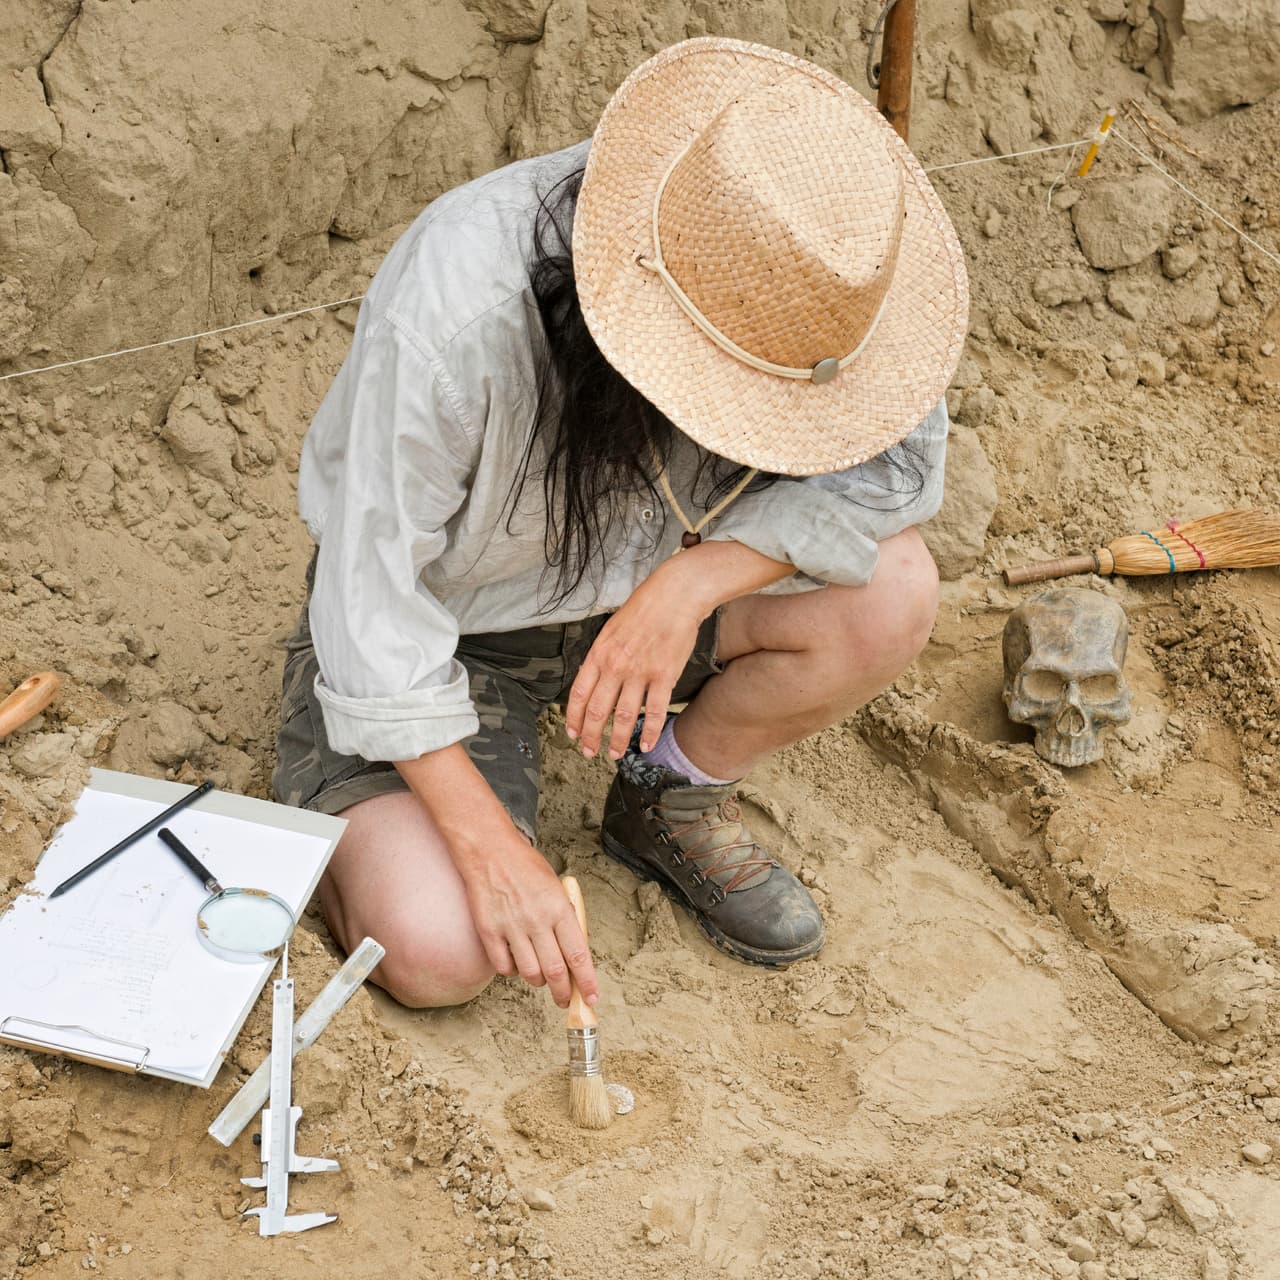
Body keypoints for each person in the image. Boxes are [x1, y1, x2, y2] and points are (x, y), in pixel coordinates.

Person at [272, 37, 968, 1011]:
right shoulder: (460, 311)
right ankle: (400, 812)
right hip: (456, 634)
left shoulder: (835, 282)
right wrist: (488, 848)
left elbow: (895, 474)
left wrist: (686, 586)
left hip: (653, 593)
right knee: (440, 948)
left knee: (890, 593)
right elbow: (369, 602)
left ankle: (663, 798)